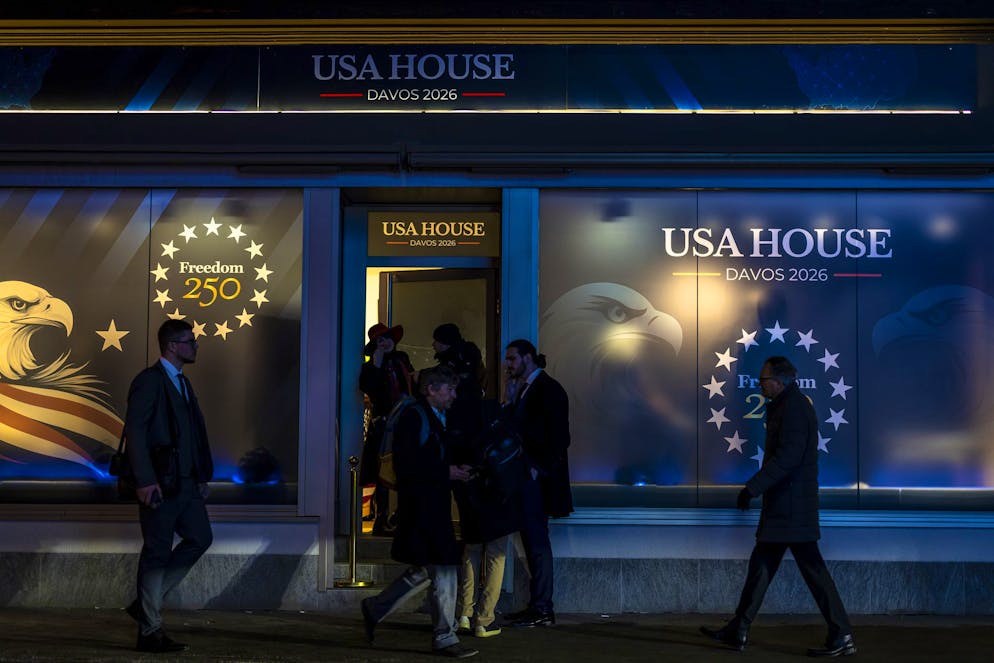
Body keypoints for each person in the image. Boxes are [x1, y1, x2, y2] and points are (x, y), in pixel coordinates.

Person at [700, 356, 856, 657]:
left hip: (791, 508)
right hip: (787, 506)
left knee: (812, 571)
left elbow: (788, 458)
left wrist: (752, 488)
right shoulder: (788, 406)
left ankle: (842, 634)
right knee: (762, 565)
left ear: (779, 381)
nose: (760, 386)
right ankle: (739, 628)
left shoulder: (794, 409)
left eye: (763, 381)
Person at [360, 366, 479, 658]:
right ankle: (445, 637)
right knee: (444, 567)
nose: (453, 394)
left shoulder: (430, 416)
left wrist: (454, 469)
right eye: (448, 389)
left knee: (429, 567)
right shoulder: (415, 417)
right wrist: (448, 471)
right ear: (431, 390)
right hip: (424, 507)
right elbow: (408, 463)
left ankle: (377, 607)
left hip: (428, 506)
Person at [123, 319, 214, 653]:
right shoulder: (149, 381)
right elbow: (136, 432)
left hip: (187, 484)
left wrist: (202, 474)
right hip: (160, 485)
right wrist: (145, 481)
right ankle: (150, 630)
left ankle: (148, 601)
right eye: (190, 341)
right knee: (157, 554)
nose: (195, 346)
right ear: (173, 346)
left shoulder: (183, 383)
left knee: (201, 537)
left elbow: (194, 433)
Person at [502, 339, 573, 628]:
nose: (508, 365)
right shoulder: (528, 388)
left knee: (537, 542)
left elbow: (560, 437)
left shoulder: (549, 389)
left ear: (528, 358)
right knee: (533, 542)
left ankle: (542, 607)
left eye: (512, 359)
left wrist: (537, 468)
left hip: (537, 480)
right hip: (529, 477)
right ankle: (538, 606)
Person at [359, 322, 415, 535]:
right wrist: (376, 365)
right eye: (379, 340)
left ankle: (402, 517)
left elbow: (410, 388)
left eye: (387, 337)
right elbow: (368, 387)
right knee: (383, 472)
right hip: (383, 424)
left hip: (405, 422)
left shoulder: (402, 359)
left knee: (405, 470)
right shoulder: (371, 366)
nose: (384, 342)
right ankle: (381, 520)